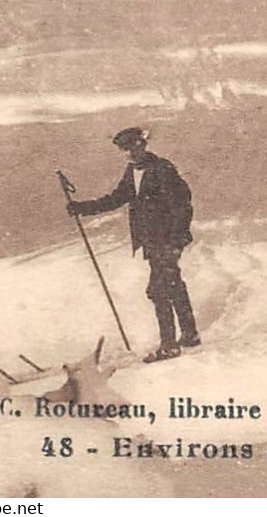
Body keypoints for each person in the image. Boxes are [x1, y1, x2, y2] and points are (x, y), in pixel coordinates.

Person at [67, 127, 198, 363]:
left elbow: (183, 204)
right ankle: (190, 334)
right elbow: (117, 198)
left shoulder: (162, 169)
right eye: (125, 150)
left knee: (158, 290)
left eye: (133, 148)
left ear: (143, 146)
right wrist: (82, 208)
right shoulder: (132, 171)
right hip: (152, 241)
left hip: (167, 240)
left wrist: (176, 240)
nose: (130, 153)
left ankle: (169, 346)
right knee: (172, 283)